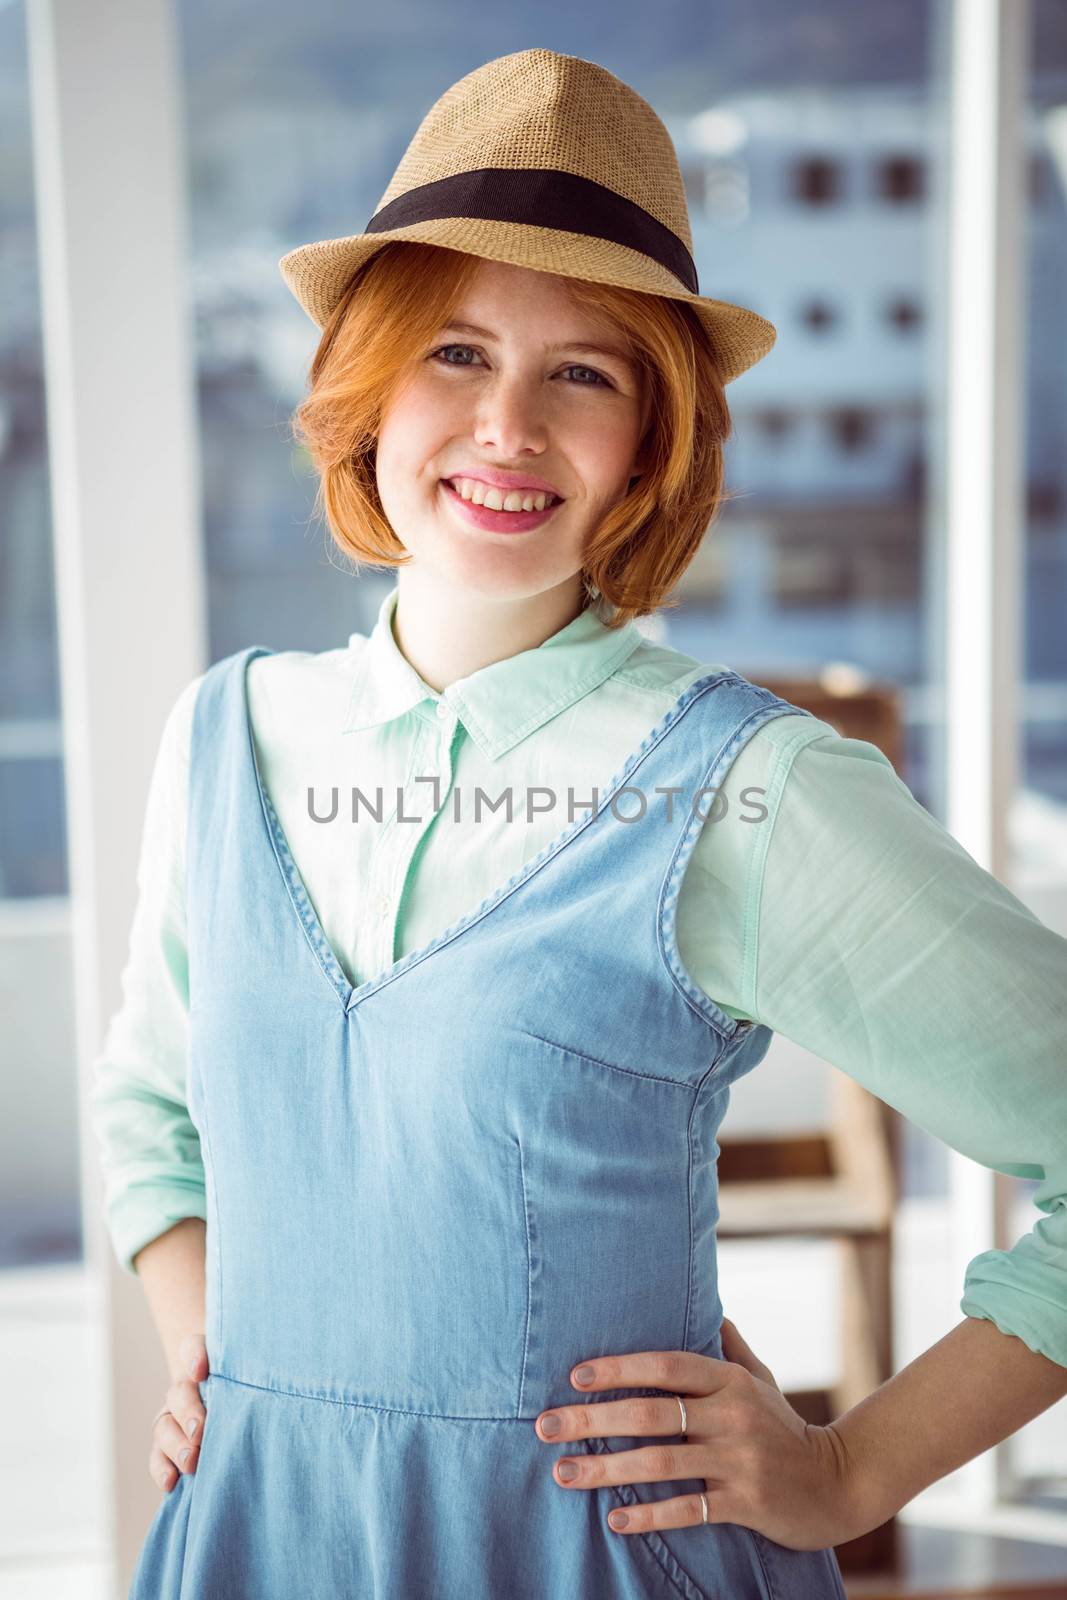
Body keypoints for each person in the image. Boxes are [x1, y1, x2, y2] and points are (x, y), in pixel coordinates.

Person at [90, 48, 1067, 1600]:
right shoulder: (225, 736)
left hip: (587, 1561)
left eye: (586, 373)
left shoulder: (748, 785)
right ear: (369, 384)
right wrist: (226, 1341)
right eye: (457, 353)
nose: (511, 426)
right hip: (255, 1537)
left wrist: (846, 1469)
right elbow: (151, 1105)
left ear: (652, 440)